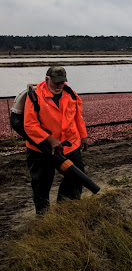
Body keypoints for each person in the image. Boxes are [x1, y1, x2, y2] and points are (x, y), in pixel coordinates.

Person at [23, 66, 89, 215]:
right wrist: (50, 139)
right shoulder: (34, 96)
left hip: (69, 145)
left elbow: (77, 117)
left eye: (62, 82)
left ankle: (66, 210)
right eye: (56, 83)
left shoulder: (71, 94)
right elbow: (29, 125)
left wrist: (83, 136)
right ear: (47, 79)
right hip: (41, 150)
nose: (59, 86)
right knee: (41, 184)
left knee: (77, 176)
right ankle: (43, 217)